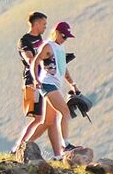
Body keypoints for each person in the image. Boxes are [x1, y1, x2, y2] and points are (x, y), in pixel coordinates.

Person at [28, 20, 77, 160]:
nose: (64, 39)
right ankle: (65, 145)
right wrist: (36, 79)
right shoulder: (48, 46)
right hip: (47, 84)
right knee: (65, 111)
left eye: (67, 37)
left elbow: (63, 68)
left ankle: (25, 145)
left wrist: (73, 84)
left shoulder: (60, 48)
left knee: (48, 122)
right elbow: (35, 62)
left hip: (55, 85)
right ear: (56, 32)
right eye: (63, 35)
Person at [11, 10, 48, 155]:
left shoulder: (40, 38)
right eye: (44, 24)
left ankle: (23, 146)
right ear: (36, 23)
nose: (45, 27)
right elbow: (30, 59)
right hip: (32, 81)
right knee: (38, 117)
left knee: (43, 118)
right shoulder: (24, 41)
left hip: (43, 79)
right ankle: (20, 147)